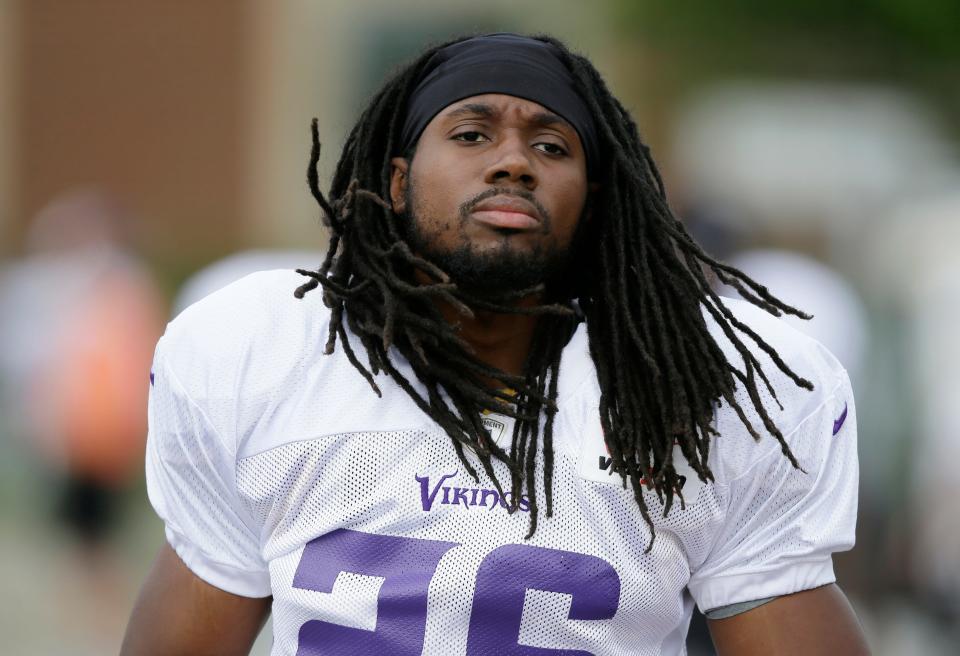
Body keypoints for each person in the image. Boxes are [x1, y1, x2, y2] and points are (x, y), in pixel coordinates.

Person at [121, 33, 870, 655]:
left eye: (551, 146)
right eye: (472, 134)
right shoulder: (267, 354)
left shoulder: (700, 390)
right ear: (399, 180)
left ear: (596, 200)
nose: (514, 162)